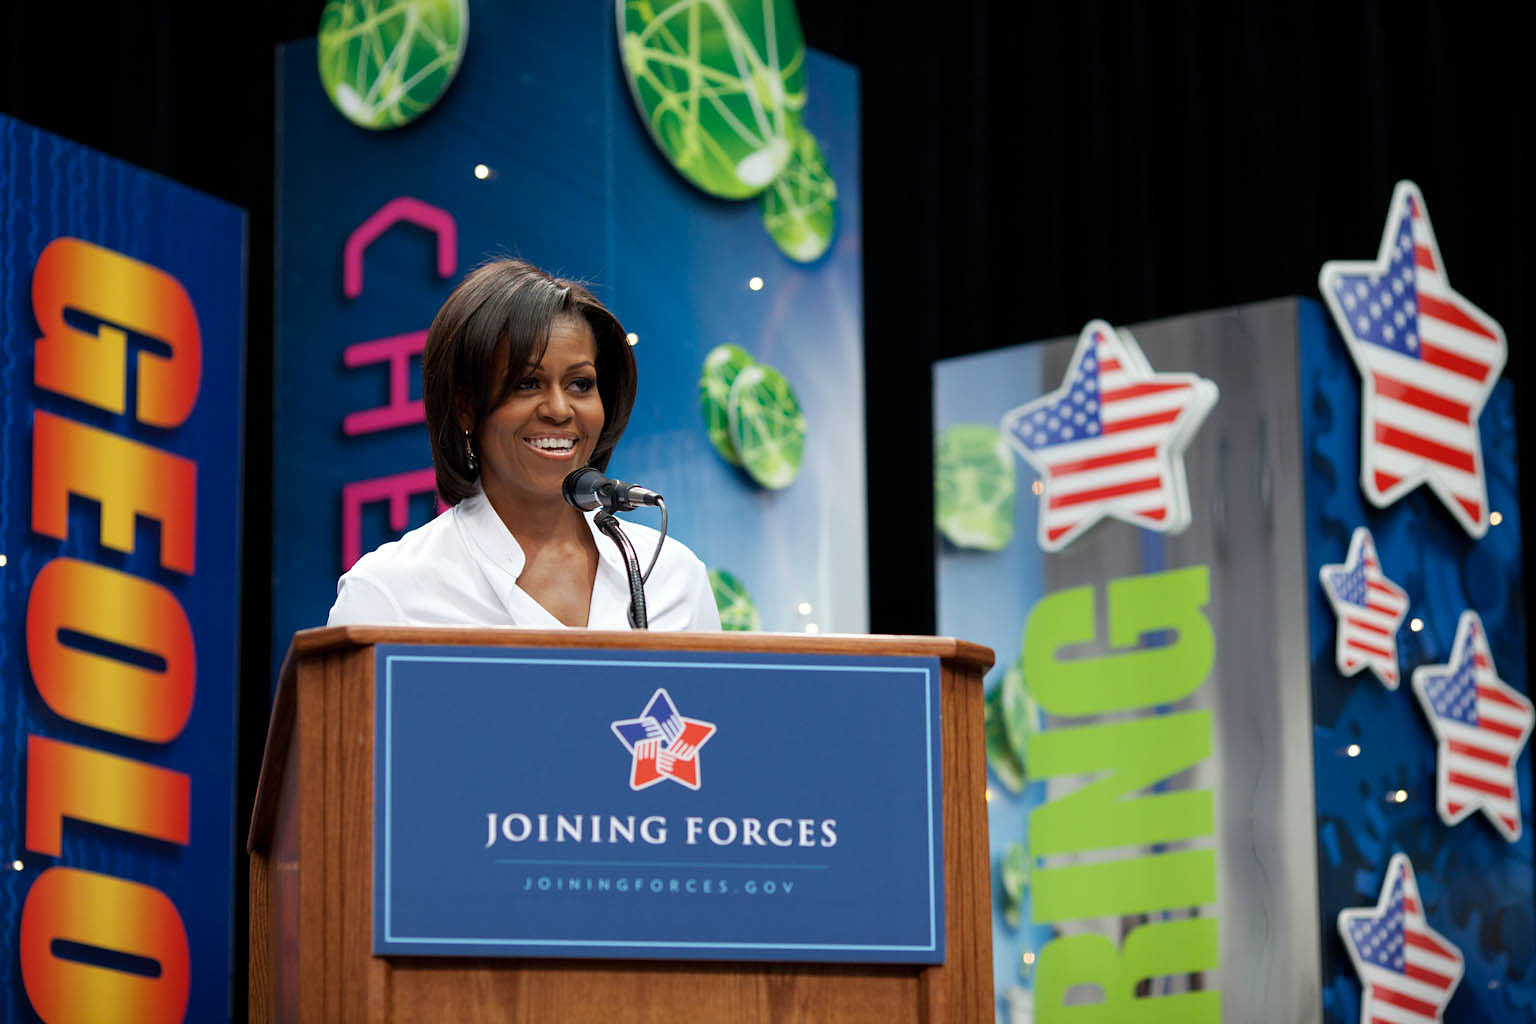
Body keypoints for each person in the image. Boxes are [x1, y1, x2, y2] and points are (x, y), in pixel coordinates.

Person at [326, 259, 721, 630]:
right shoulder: (387, 595)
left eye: (580, 384)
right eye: (527, 384)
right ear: (465, 407)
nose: (559, 409)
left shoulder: (674, 575)